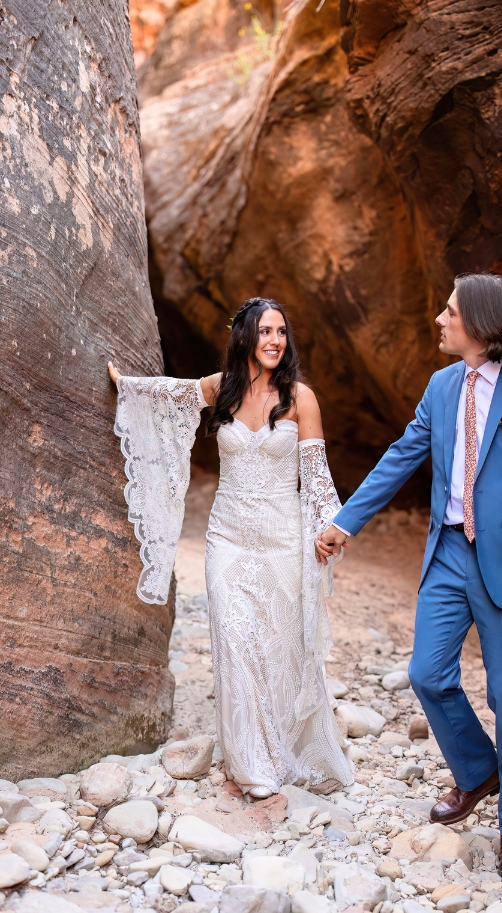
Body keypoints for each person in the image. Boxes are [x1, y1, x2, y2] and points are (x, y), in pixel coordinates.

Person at [316, 273, 502, 875]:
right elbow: (402, 453)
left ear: (479, 324)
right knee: (427, 674)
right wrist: (345, 522)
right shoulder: (441, 384)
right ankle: (478, 771)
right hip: (449, 552)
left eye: (450, 311)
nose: (438, 319)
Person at [109, 297, 353, 798]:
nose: (275, 341)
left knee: (281, 649)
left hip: (283, 541)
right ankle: (251, 764)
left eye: (281, 332)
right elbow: (173, 396)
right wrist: (126, 387)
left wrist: (329, 528)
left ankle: (286, 745)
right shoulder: (223, 388)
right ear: (245, 336)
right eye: (265, 331)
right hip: (228, 538)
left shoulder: (301, 398)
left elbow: (318, 478)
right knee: (236, 642)